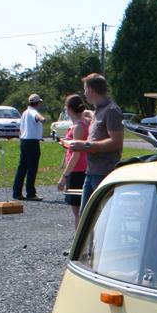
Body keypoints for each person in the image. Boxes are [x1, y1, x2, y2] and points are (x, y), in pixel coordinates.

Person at [63, 73, 124, 208]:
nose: (84, 94)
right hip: (91, 171)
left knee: (102, 217)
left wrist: (84, 145)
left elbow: (116, 142)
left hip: (104, 173)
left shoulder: (112, 110)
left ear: (91, 89)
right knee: (87, 217)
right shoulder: (98, 110)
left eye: (85, 89)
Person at [56, 94, 90, 227]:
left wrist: (64, 177)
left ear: (69, 109)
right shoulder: (82, 122)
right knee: (79, 212)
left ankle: (80, 245)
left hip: (78, 171)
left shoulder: (79, 126)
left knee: (79, 213)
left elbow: (76, 154)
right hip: (78, 168)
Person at [12, 94, 46, 201]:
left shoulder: (25, 112)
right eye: (40, 102)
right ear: (37, 103)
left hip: (24, 141)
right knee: (32, 168)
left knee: (22, 167)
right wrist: (43, 119)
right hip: (32, 142)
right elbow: (38, 118)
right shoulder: (33, 112)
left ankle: (17, 192)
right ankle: (31, 193)